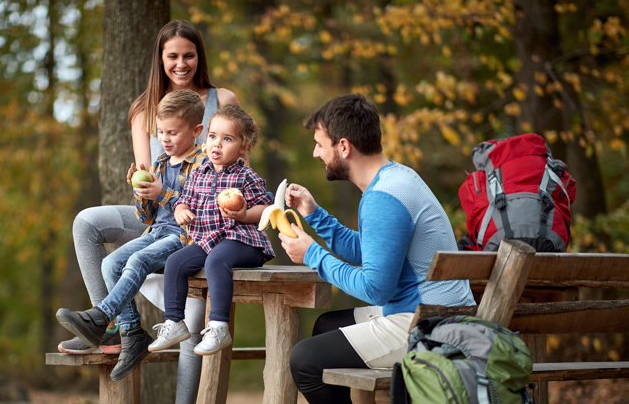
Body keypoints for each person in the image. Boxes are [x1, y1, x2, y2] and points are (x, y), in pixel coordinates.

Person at [63, 20, 239, 403]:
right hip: (157, 216)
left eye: (188, 55)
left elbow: (233, 169)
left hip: (200, 219)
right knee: (86, 221)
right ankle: (114, 327)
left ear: (199, 57)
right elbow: (150, 182)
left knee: (193, 321)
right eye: (172, 55)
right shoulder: (144, 109)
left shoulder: (221, 100)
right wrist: (141, 187)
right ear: (160, 59)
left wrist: (172, 196)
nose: (181, 64)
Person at [279, 94, 476, 404]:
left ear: (344, 147)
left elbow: (375, 288)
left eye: (320, 144)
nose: (315, 153)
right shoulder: (395, 178)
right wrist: (315, 215)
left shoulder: (383, 198)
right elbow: (374, 250)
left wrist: (312, 255)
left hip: (428, 323)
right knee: (327, 325)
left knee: (305, 360)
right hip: (430, 309)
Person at [57, 89, 209, 380]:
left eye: (173, 133)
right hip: (157, 231)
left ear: (196, 131)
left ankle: (101, 317)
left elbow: (198, 211)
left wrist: (162, 192)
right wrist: (141, 194)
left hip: (186, 236)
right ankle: (132, 332)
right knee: (109, 264)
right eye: (161, 132)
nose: (164, 139)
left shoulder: (203, 164)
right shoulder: (161, 163)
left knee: (137, 260)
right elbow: (146, 218)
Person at [148, 105, 274, 355]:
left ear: (243, 146)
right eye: (213, 136)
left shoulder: (246, 176)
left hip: (243, 241)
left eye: (227, 139)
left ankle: (218, 327)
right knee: (175, 262)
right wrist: (181, 208)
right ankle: (174, 322)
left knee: (216, 261)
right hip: (209, 240)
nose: (217, 144)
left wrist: (245, 214)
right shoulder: (199, 173)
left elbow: (266, 209)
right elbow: (184, 199)